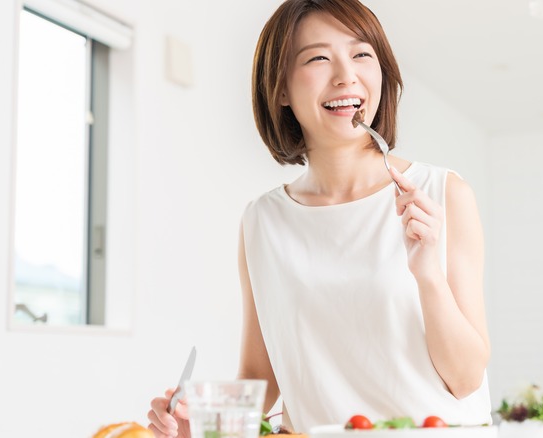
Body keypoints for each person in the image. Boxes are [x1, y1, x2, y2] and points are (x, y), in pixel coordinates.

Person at [147, 0, 491, 436]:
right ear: (281, 89)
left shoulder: (444, 194)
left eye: (362, 54)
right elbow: (261, 374)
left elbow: (465, 379)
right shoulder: (262, 220)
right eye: (319, 58)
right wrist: (197, 422)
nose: (346, 75)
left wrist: (428, 275)